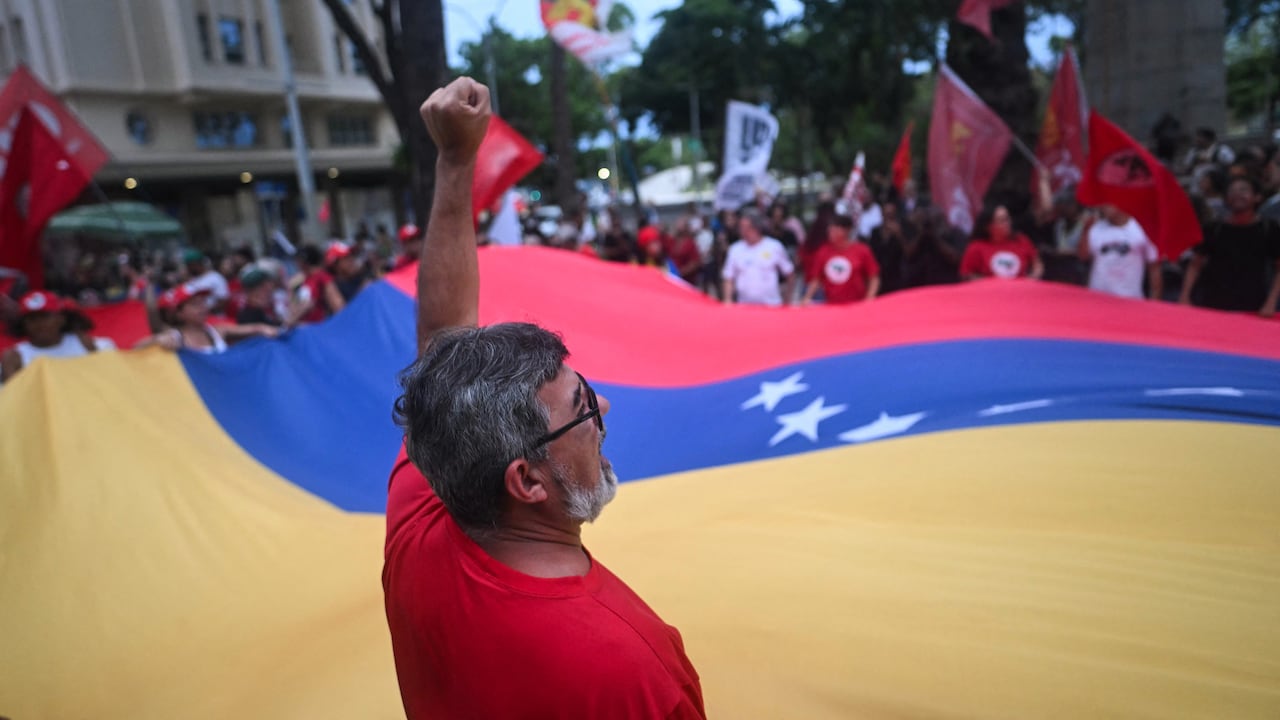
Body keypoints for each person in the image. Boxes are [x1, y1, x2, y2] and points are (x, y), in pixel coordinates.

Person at [383, 77, 705, 720]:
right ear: (526, 480)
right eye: (581, 406)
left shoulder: (422, 531)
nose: (603, 410)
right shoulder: (629, 666)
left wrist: (454, 160)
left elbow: (443, 348)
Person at [1180, 176, 1280, 317]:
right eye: (1232, 191)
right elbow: (1195, 264)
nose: (1237, 194)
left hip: (1254, 306)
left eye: (1243, 190)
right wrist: (1185, 296)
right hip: (1212, 304)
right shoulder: (1214, 228)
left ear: (1257, 197)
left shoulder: (1269, 229)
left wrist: (1271, 302)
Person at [1, 291, 117, 383]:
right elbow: (11, 398)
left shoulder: (82, 342)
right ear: (23, 324)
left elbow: (104, 377)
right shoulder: (14, 357)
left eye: (45, 316)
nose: (39, 324)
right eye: (32, 319)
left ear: (61, 319)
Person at [135, 283, 277, 353]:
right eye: (195, 305)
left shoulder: (218, 332)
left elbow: (255, 328)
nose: (203, 308)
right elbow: (136, 349)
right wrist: (158, 340)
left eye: (203, 302)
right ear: (179, 313)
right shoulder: (174, 338)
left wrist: (264, 328)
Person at [802, 203, 880, 305]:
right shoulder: (824, 251)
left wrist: (869, 299)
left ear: (846, 230)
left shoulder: (862, 250)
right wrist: (806, 298)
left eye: (834, 229)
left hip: (857, 305)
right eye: (829, 230)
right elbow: (816, 279)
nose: (830, 232)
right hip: (833, 306)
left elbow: (873, 277)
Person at [1078, 205, 1162, 300]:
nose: (1103, 207)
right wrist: (1085, 230)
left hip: (1130, 300)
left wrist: (1155, 302)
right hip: (1097, 298)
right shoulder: (1096, 228)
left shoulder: (1142, 229)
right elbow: (1083, 257)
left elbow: (1154, 268)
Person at [721, 209, 795, 306]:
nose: (742, 231)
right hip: (744, 306)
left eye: (746, 227)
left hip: (771, 306)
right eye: (741, 227)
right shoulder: (735, 249)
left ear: (756, 227)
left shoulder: (774, 246)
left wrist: (787, 300)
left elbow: (789, 273)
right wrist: (727, 300)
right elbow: (728, 277)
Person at [959, 205, 1044, 281]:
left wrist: (1031, 279)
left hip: (1020, 290)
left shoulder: (1021, 240)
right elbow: (967, 274)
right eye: (1002, 220)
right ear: (989, 226)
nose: (1008, 223)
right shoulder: (976, 247)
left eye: (1008, 219)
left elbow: (1037, 264)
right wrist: (989, 284)